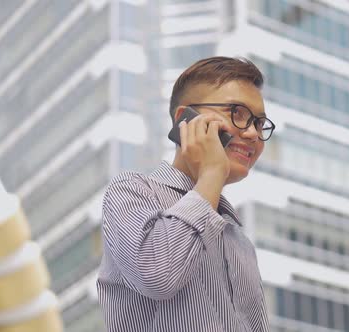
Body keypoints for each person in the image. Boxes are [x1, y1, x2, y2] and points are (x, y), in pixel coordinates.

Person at [96, 57, 275, 331]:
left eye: (260, 123)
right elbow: (158, 275)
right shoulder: (130, 192)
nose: (252, 133)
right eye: (236, 113)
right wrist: (212, 173)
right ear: (185, 120)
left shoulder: (240, 241)